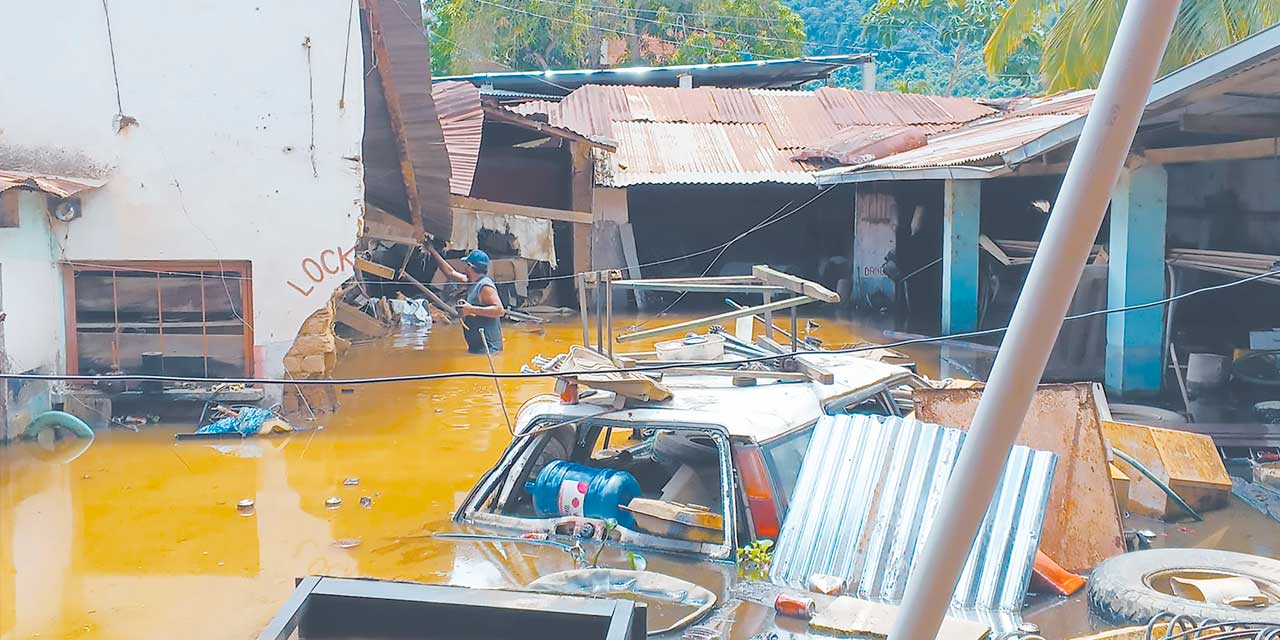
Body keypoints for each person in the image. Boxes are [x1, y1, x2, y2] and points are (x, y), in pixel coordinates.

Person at [427, 244, 504, 353]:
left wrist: (471, 309)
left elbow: (499, 311)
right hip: (477, 348)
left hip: (488, 349)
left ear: (469, 266)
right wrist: (432, 250)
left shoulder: (485, 287)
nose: (464, 268)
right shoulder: (471, 282)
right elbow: (450, 273)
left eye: (466, 265)